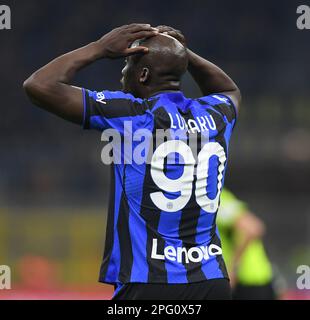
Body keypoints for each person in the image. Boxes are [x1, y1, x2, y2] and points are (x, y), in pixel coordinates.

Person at [23, 24, 241, 300]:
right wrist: (183, 53)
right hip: (212, 281)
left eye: (126, 66)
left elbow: (39, 85)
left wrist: (100, 48)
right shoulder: (216, 114)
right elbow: (229, 89)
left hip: (148, 282)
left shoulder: (132, 114)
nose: (122, 74)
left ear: (144, 75)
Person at [217, 189, 276, 299]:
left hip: (249, 281)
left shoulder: (215, 197)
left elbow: (253, 228)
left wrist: (232, 269)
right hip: (253, 279)